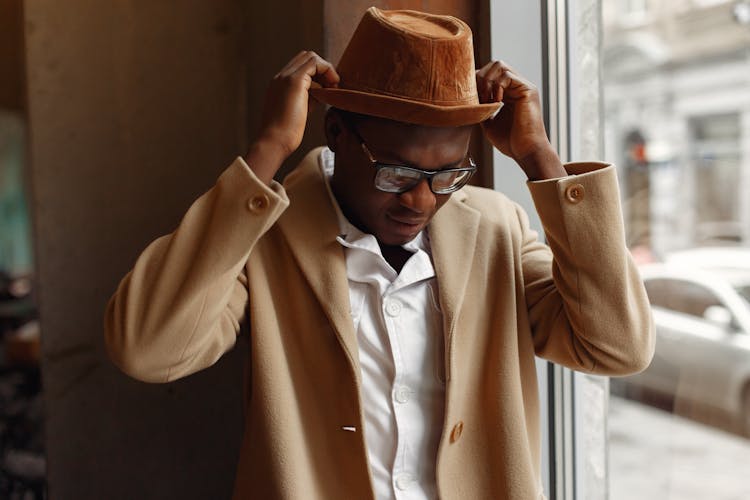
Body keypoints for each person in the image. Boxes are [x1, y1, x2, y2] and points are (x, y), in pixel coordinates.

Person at [104, 7, 654, 500]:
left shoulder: (496, 230)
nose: (420, 199)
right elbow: (149, 349)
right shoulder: (262, 233)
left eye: (447, 176)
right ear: (337, 131)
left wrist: (539, 157)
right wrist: (268, 149)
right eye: (397, 172)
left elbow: (616, 347)